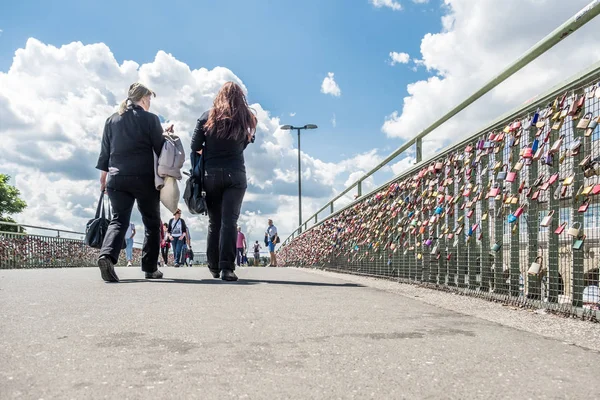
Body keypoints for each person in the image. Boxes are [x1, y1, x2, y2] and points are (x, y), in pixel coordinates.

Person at [96, 82, 169, 282]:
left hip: (116, 178)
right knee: (152, 223)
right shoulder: (150, 119)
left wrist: (103, 180)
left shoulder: (111, 120)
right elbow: (160, 148)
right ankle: (150, 268)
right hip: (144, 178)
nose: (150, 103)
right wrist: (166, 134)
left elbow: (104, 154)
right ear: (144, 98)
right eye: (150, 99)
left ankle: (106, 256)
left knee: (119, 220)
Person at [190, 81, 257, 281]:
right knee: (230, 222)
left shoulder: (206, 116)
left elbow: (195, 146)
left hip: (211, 175)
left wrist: (210, 151)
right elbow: (244, 144)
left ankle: (213, 265)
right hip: (236, 174)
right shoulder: (247, 118)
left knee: (214, 222)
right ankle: (227, 268)